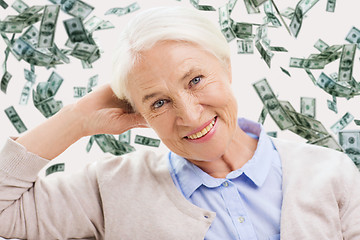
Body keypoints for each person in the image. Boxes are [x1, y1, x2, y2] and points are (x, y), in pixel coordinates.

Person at [1, 6, 360, 240]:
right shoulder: (111, 189)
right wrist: (76, 118)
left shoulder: (330, 172)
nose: (189, 115)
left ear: (226, 66)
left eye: (195, 80)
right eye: (159, 102)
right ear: (138, 113)